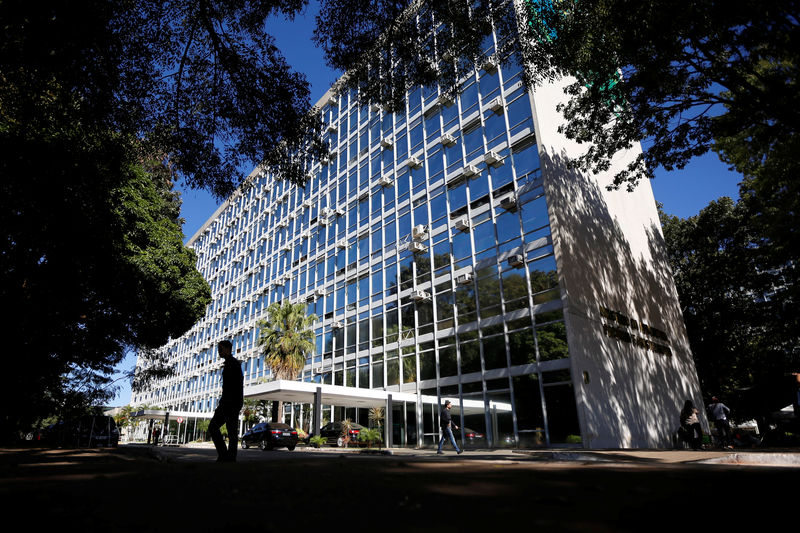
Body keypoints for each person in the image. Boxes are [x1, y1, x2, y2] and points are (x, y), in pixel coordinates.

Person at [208, 340, 244, 462]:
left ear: (228, 349)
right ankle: (227, 456)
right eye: (218, 350)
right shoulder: (230, 363)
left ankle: (227, 456)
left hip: (230, 403)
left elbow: (235, 386)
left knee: (220, 428)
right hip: (230, 402)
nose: (219, 352)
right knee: (229, 430)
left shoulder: (233, 364)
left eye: (221, 349)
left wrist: (231, 403)